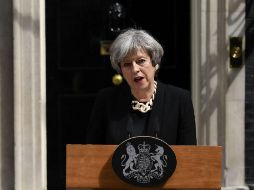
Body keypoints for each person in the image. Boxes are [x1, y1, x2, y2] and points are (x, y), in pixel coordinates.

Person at [85, 28, 196, 145]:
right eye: (127, 64)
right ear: (121, 70)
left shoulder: (180, 99)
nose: (135, 69)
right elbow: (92, 150)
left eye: (141, 61)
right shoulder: (106, 100)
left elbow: (189, 153)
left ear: (155, 63)